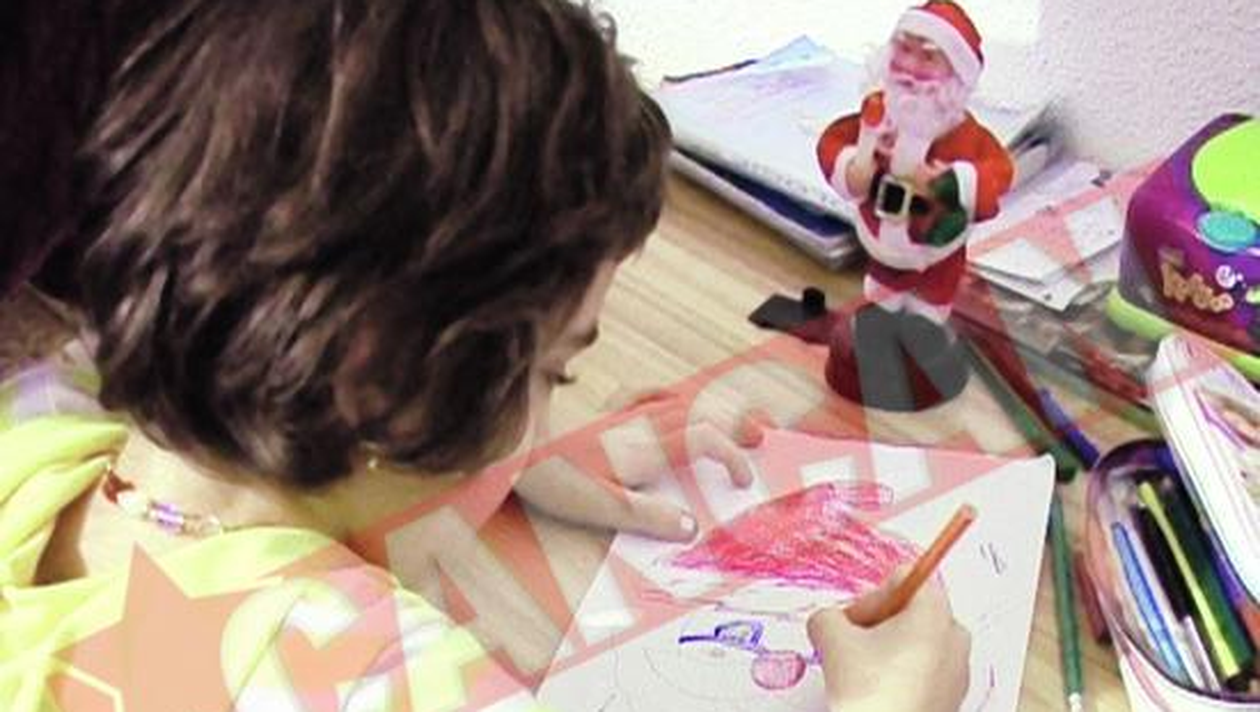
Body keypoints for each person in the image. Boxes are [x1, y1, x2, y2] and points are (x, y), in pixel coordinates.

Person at [0, 1, 970, 710]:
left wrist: (493, 453)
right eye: (550, 375)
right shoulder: (380, 677)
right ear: (390, 380)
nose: (538, 424)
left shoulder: (43, 417)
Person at [817, 0, 1014, 326]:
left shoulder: (967, 135)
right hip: (881, 245)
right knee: (881, 301)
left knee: (928, 312)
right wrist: (852, 168)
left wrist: (950, 183)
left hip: (937, 249)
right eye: (904, 50)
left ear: (956, 73)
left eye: (928, 57)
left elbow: (998, 173)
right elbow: (833, 143)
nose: (909, 66)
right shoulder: (879, 114)